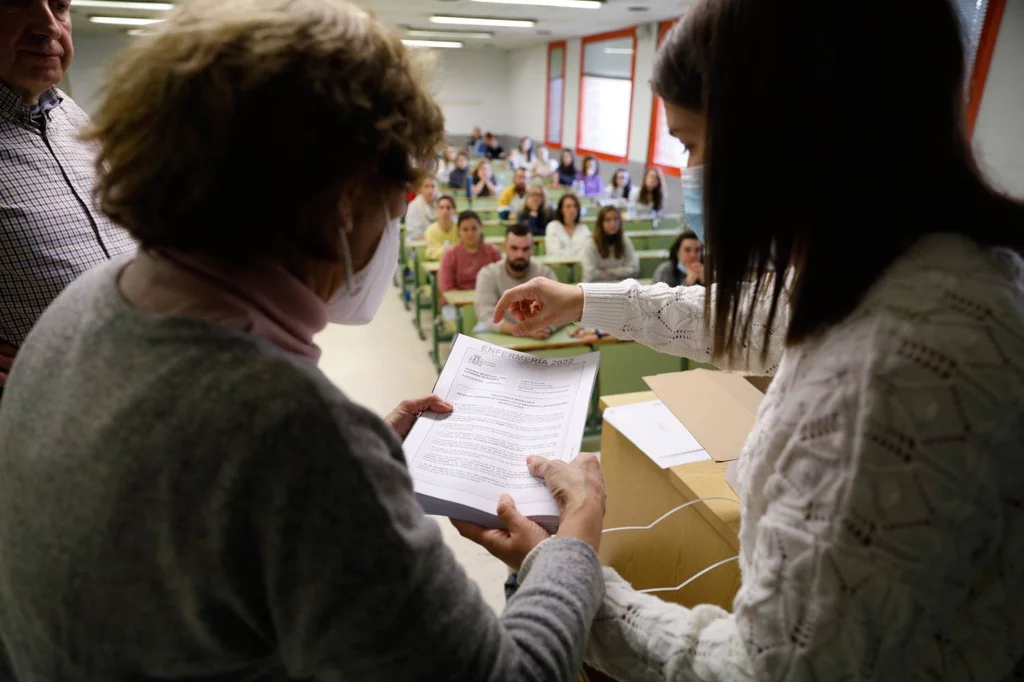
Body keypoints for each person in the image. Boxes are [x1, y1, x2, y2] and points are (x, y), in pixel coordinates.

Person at [0, 1, 609, 679]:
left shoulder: (82, 302)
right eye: (397, 190)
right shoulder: (296, 438)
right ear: (345, 198)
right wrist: (571, 545)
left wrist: (350, 471)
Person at [470, 0, 1024, 678]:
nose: (687, 173)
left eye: (690, 144)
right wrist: (581, 300)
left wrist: (570, 577)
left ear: (780, 136)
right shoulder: (915, 263)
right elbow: (746, 317)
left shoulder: (892, 374)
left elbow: (764, 671)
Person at [0, 0, 137, 397]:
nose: (49, 27)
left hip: (133, 384)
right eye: (15, 4)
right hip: (40, 413)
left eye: (59, 6)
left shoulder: (70, 115)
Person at [475, 224, 557, 339]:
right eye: (514, 248)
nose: (520, 255)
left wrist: (546, 329)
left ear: (532, 248)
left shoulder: (544, 273)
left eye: (525, 249)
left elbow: (559, 310)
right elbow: (485, 316)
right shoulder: (488, 274)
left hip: (541, 337)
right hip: (502, 338)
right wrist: (526, 332)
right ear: (504, 247)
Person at [438, 210, 502, 295]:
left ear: (481, 229)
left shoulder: (493, 252)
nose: (470, 233)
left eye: (474, 228)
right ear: (459, 232)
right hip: (457, 304)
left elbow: (502, 281)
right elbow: (447, 288)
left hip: (488, 300)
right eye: (465, 230)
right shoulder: (450, 255)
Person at [581, 206, 639, 283]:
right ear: (601, 223)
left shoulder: (624, 240)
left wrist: (609, 272)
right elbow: (590, 274)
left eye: (616, 219)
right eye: (608, 220)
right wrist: (620, 273)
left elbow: (633, 269)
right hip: (596, 288)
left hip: (620, 287)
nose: (613, 223)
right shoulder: (591, 243)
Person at [422, 195, 458, 261]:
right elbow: (433, 252)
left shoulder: (460, 229)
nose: (445, 211)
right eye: (441, 208)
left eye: (448, 208)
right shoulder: (430, 231)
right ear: (436, 210)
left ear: (454, 211)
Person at [404, 175, 437, 240]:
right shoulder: (413, 206)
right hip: (419, 243)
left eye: (433, 186)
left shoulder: (442, 203)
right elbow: (413, 231)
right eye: (426, 186)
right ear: (420, 189)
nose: (430, 190)